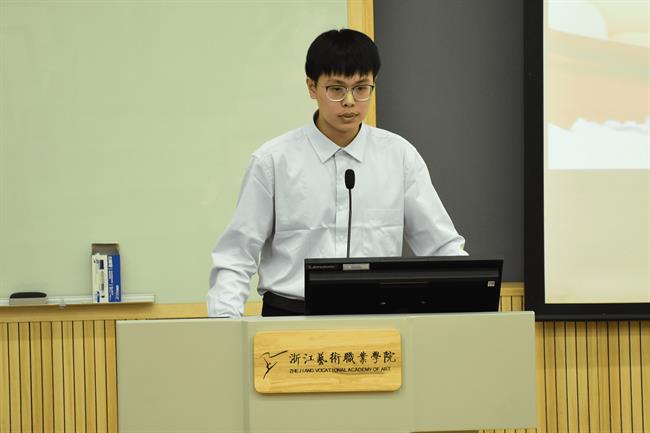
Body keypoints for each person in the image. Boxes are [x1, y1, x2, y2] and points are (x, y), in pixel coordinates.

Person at [207, 29, 466, 318]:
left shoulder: (400, 156)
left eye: (361, 88)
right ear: (312, 87)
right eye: (336, 89)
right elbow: (236, 255)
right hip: (291, 318)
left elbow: (441, 248)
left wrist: (472, 306)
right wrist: (225, 326)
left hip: (379, 319)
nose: (350, 101)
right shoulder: (273, 161)